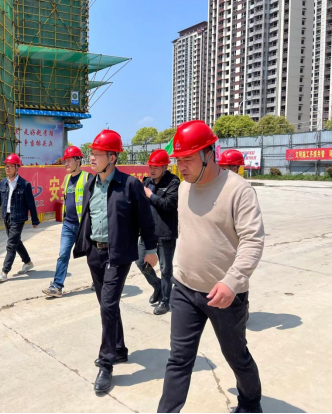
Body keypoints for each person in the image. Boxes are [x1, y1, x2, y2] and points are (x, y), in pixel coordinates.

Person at [158, 121, 265, 413]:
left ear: (209, 153)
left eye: (188, 159)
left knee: (236, 356)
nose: (181, 167)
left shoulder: (238, 190)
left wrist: (232, 281)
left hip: (225, 295)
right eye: (178, 160)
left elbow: (253, 241)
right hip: (184, 289)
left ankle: (250, 404)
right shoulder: (183, 188)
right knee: (178, 359)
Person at [73, 129, 158, 393]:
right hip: (95, 253)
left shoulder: (130, 184)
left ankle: (106, 362)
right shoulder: (91, 183)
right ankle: (119, 348)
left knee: (108, 305)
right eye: (91, 153)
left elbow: (146, 220)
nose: (92, 158)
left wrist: (151, 249)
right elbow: (88, 216)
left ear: (112, 157)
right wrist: (85, 245)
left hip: (118, 254)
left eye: (97, 154)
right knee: (107, 305)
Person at [134, 149, 180, 315]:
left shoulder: (173, 182)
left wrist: (151, 195)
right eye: (150, 167)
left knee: (165, 269)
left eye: (156, 167)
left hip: (165, 233)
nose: (152, 170)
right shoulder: (147, 182)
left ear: (165, 167)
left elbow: (169, 205)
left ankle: (166, 301)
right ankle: (158, 286)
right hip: (148, 233)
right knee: (140, 262)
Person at [43, 146, 92, 298]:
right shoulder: (66, 179)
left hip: (84, 225)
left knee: (92, 255)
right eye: (65, 161)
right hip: (68, 225)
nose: (66, 164)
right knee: (63, 254)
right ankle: (57, 286)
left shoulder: (88, 178)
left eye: (69, 160)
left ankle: (99, 280)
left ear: (78, 161)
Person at [0, 154, 40, 283]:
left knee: (11, 245)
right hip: (7, 217)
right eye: (6, 166)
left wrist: (35, 220)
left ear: (17, 167)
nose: (7, 168)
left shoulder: (25, 184)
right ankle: (28, 262)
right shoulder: (3, 183)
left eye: (10, 166)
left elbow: (31, 203)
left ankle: (4, 272)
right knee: (16, 242)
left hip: (18, 218)